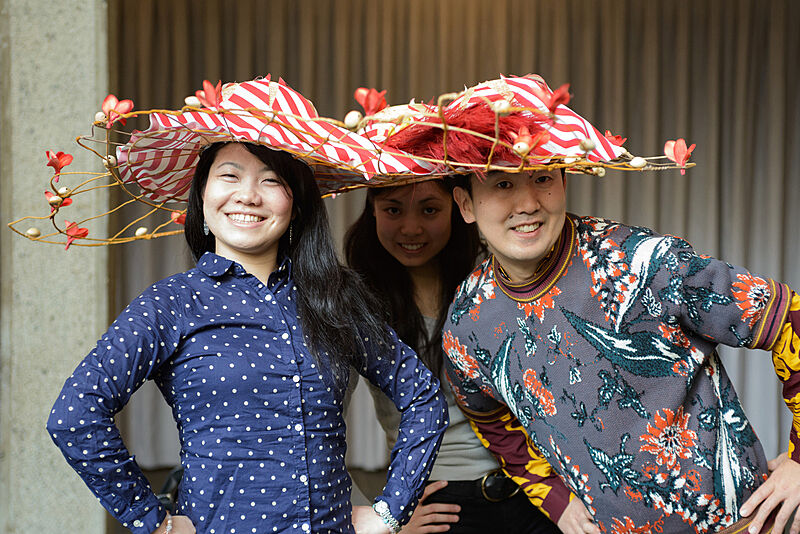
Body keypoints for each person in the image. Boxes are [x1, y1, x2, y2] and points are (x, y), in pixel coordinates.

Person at [384, 74, 800, 534]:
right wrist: (553, 498)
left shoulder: (643, 263)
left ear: (564, 182)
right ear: (465, 204)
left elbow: (789, 320)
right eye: (502, 184)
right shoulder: (467, 324)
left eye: (542, 177)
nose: (527, 203)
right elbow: (491, 419)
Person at [44, 77, 448, 534]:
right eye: (229, 176)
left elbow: (423, 396)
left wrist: (389, 513)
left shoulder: (336, 298)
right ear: (202, 195)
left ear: (295, 205)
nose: (248, 196)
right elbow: (75, 414)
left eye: (271, 180)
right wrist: (152, 521)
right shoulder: (171, 303)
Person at [345, 178, 563, 533]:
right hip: (437, 505)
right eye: (393, 210)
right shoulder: (356, 301)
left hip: (536, 493)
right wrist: (379, 515)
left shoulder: (497, 275)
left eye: (430, 209)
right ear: (372, 210)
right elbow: (318, 420)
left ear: (460, 206)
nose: (411, 227)